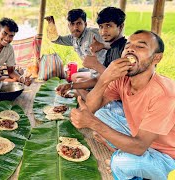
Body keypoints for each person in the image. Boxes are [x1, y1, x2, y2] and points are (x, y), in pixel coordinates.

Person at [71, 30, 175, 180]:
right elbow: (91, 108)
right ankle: (122, 150)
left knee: (121, 162)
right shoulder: (123, 79)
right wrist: (105, 78)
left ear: (156, 58)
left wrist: (94, 124)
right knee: (101, 114)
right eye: (128, 45)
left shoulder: (165, 93)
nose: (130, 49)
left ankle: (121, 157)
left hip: (168, 157)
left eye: (140, 46)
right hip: (142, 138)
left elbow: (139, 147)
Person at [56, 7, 126, 102]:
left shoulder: (125, 50)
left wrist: (95, 65)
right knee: (75, 80)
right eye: (101, 27)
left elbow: (120, 84)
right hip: (101, 80)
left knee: (83, 105)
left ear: (121, 27)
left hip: (117, 100)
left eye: (108, 26)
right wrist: (71, 86)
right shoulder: (111, 48)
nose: (103, 31)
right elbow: (99, 79)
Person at [44, 8, 107, 82]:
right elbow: (56, 39)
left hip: (104, 74)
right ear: (68, 26)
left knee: (78, 82)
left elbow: (113, 41)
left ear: (85, 24)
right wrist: (51, 24)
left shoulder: (94, 34)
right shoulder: (72, 38)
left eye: (79, 23)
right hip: (92, 73)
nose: (75, 27)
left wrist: (103, 45)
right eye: (72, 24)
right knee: (74, 77)